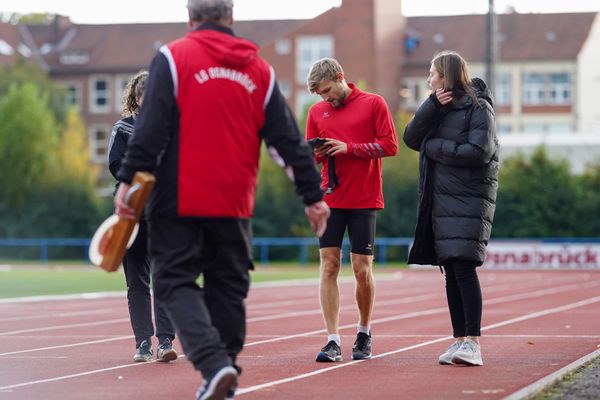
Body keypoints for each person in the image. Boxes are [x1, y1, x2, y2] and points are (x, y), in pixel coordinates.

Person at [114, 1, 329, 399]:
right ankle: (223, 375)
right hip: (234, 200)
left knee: (174, 280)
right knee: (228, 289)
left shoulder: (172, 59)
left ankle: (215, 368)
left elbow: (150, 128)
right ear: (231, 16)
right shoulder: (259, 69)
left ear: (190, 17)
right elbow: (286, 140)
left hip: (177, 199)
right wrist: (312, 195)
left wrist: (127, 181)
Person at [403, 50, 499, 366]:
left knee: (463, 267)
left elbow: (479, 151)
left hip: (468, 199)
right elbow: (411, 138)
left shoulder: (479, 107)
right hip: (441, 200)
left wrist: (436, 147)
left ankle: (474, 343)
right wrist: (431, 105)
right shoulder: (439, 108)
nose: (429, 80)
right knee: (450, 271)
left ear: (445, 75)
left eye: (432, 74)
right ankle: (459, 340)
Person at [305, 58, 398, 363]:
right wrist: (316, 153)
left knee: (362, 269)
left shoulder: (374, 103)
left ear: (340, 77)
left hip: (364, 198)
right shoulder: (316, 112)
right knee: (329, 266)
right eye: (320, 95)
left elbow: (390, 145)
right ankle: (332, 340)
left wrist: (349, 148)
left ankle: (364, 332)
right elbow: (311, 160)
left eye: (328, 91)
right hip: (330, 198)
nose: (325, 98)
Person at [107, 70, 178, 364]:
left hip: (165, 213)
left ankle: (164, 342)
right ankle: (143, 344)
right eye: (143, 97)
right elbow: (115, 165)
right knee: (136, 281)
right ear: (136, 100)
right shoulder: (122, 128)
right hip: (132, 213)